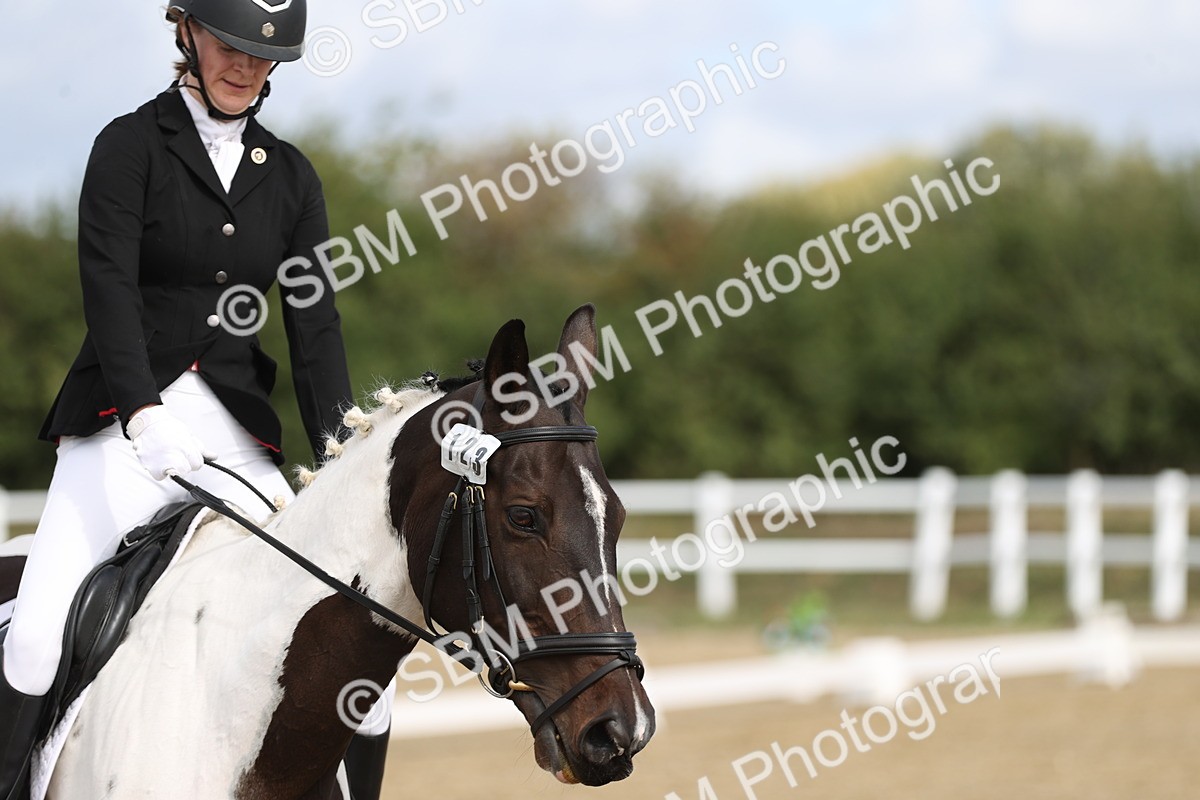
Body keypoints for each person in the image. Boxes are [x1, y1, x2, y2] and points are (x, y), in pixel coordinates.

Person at [0, 2, 392, 797]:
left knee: (361, 654)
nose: (244, 68)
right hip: (118, 425)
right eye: (229, 45)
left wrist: (342, 459)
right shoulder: (129, 146)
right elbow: (106, 289)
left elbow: (314, 330)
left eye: (261, 56)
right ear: (186, 32)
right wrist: (142, 413)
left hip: (237, 435)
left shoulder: (290, 177)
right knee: (36, 638)